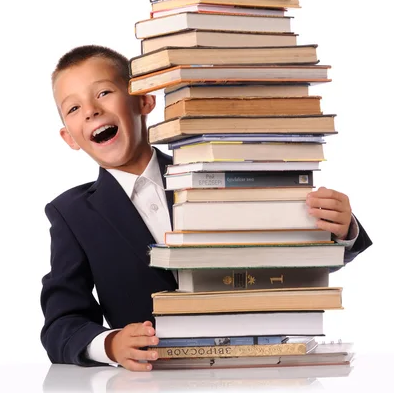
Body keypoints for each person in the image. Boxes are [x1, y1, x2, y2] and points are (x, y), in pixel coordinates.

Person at [40, 45, 372, 371]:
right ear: (69, 137)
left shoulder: (219, 174)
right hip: (156, 378)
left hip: (257, 367)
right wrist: (110, 344)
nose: (90, 111)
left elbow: (287, 262)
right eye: (73, 109)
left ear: (144, 100)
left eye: (103, 93)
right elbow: (62, 324)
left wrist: (342, 230)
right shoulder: (71, 215)